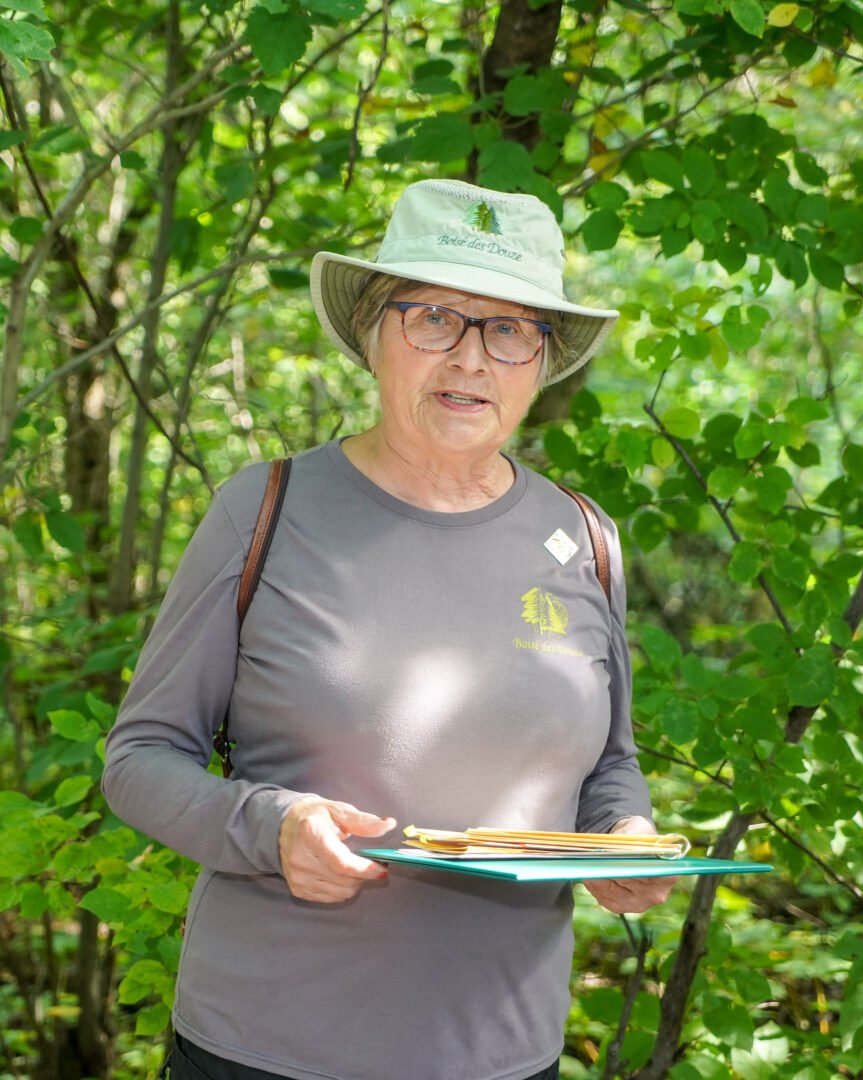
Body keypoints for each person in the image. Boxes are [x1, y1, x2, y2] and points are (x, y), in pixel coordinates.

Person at [102, 178, 676, 1080]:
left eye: (509, 329)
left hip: (505, 1054)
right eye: (433, 317)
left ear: (542, 360)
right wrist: (270, 827)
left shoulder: (583, 539)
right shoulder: (268, 508)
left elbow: (608, 764)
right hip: (264, 1050)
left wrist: (625, 838)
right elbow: (139, 758)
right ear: (374, 333)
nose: (470, 359)